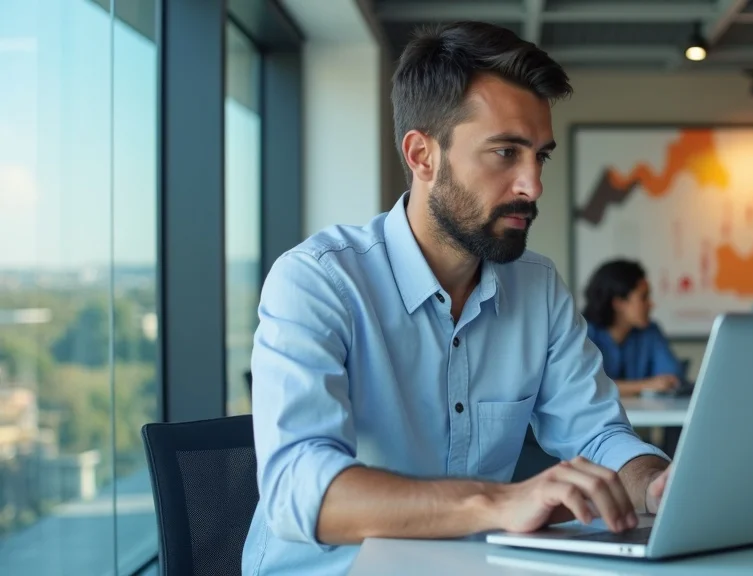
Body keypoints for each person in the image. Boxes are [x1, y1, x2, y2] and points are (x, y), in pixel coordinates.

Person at [242, 22, 671, 575]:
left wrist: (657, 483)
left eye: (540, 156)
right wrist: (497, 501)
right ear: (423, 155)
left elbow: (598, 433)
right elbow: (297, 489)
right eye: (505, 153)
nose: (532, 185)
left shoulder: (537, 288)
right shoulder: (318, 281)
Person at [582, 259, 687, 398]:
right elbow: (585, 385)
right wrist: (645, 386)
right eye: (643, 297)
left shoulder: (650, 331)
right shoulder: (582, 333)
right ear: (618, 302)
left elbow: (671, 379)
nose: (651, 304)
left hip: (644, 417)